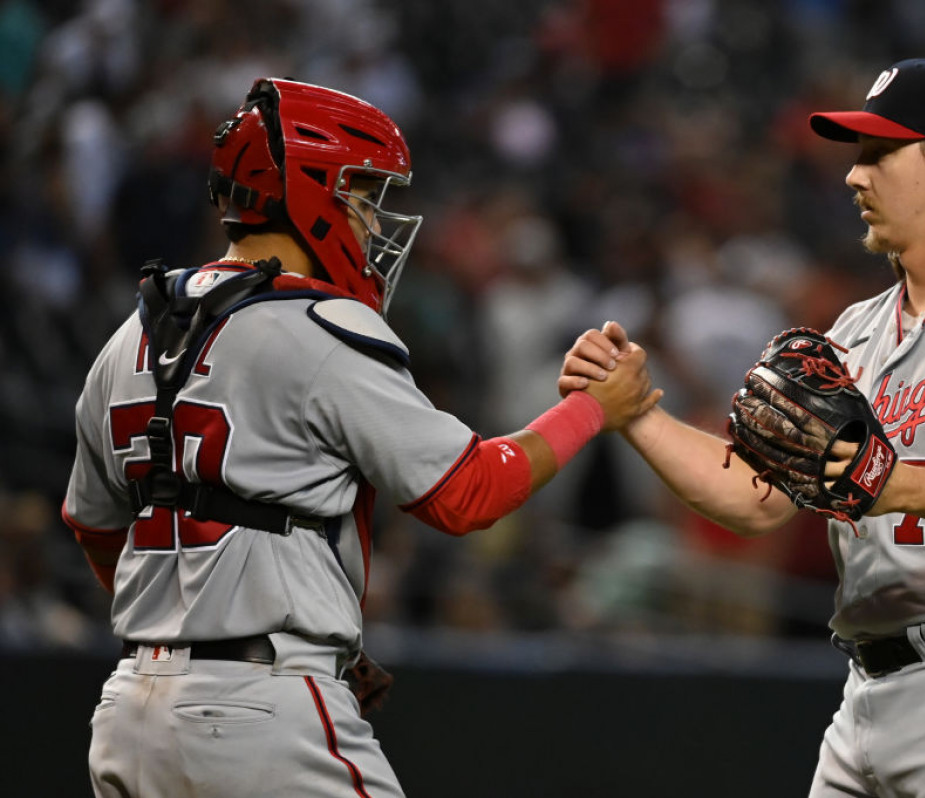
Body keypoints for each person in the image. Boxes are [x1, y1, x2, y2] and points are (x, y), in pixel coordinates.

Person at [61, 77, 660, 798]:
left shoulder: (129, 335)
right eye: (363, 196)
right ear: (313, 192)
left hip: (128, 710)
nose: (372, 223)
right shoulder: (321, 327)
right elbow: (469, 492)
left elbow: (98, 530)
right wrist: (594, 408)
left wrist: (196, 629)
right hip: (262, 716)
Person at [561, 59, 925, 797]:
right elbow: (755, 499)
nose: (855, 177)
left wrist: (894, 484)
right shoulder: (857, 334)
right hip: (866, 693)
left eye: (879, 153)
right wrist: (637, 413)